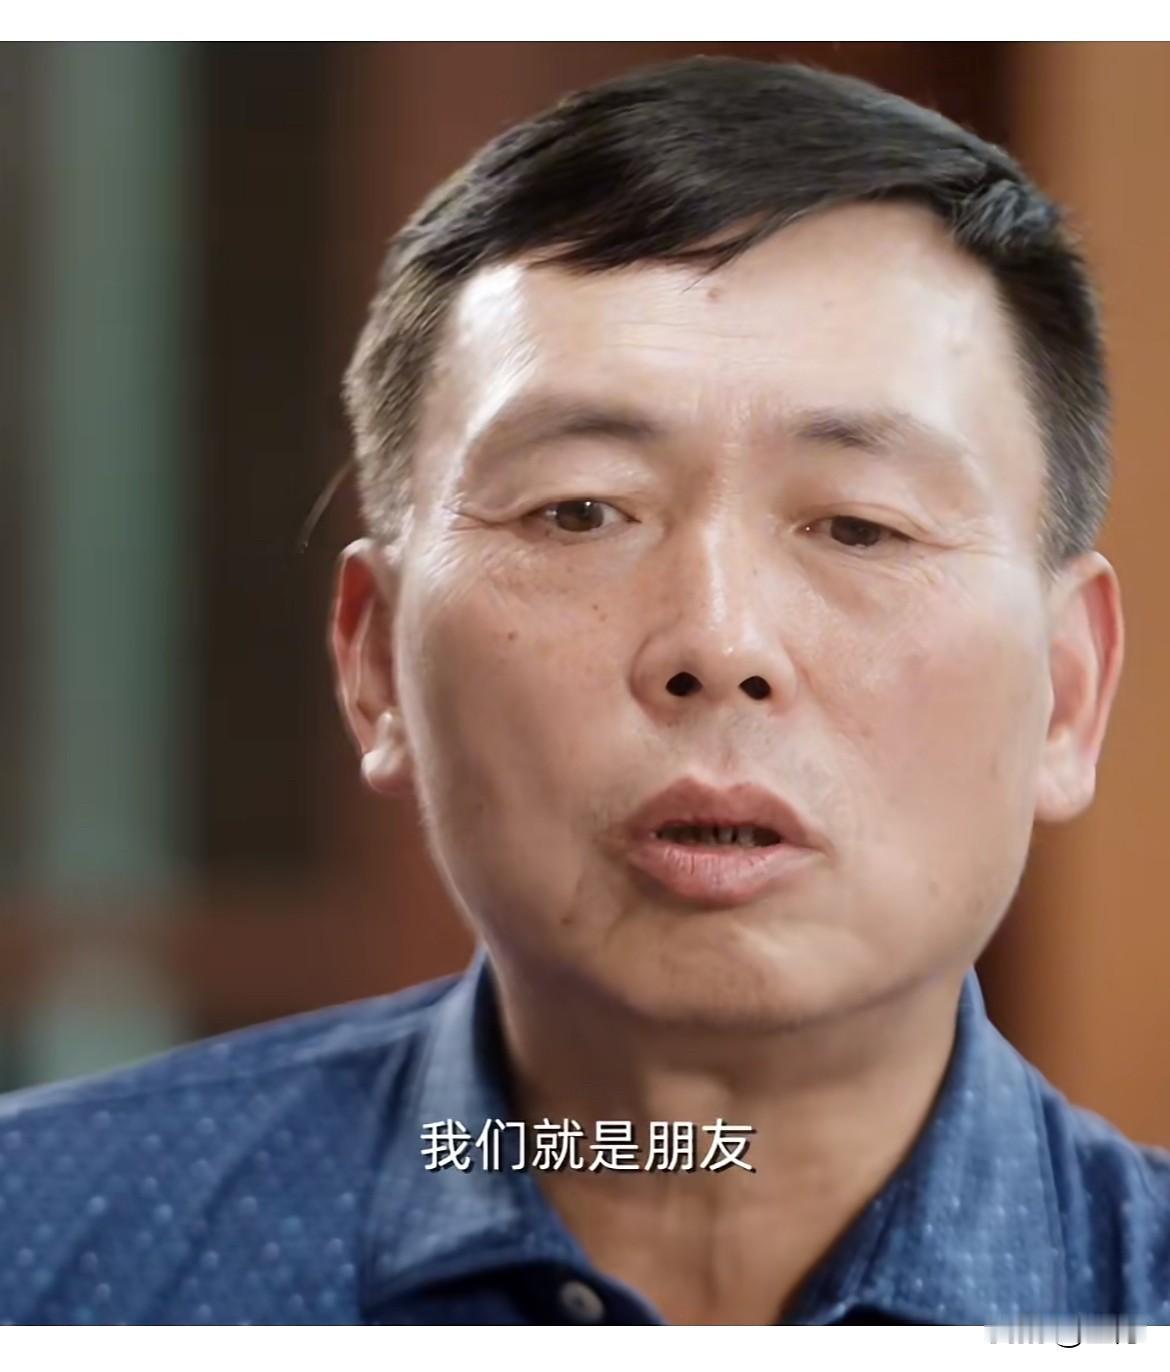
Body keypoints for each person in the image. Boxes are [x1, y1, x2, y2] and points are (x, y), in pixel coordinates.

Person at [0, 54, 1163, 1328]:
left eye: (859, 526)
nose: (718, 641)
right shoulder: (46, 1249)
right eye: (579, 510)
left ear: (1066, 691)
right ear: (377, 663)